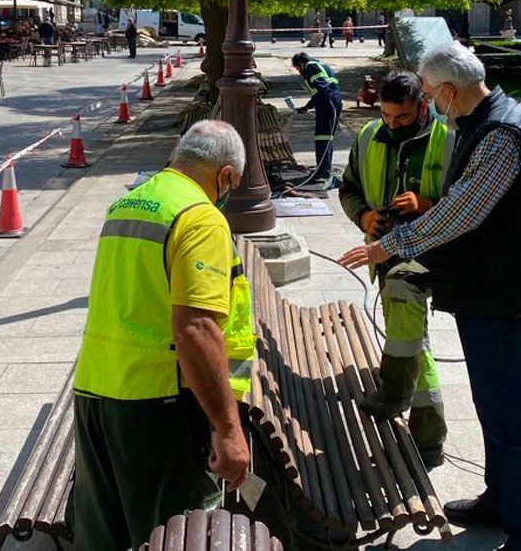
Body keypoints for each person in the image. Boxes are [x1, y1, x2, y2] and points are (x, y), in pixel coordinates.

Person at [338, 40, 521, 551]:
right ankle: (500, 500)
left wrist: (386, 247)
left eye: (432, 94)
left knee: (512, 417)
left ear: (447, 90)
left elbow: (461, 213)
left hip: (500, 295)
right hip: (485, 290)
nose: (431, 103)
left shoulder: (500, 132)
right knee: (494, 407)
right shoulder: (483, 121)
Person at [72, 120, 255, 550]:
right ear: (225, 175)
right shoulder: (199, 217)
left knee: (107, 537)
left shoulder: (130, 203)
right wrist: (228, 429)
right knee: (179, 535)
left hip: (97, 390)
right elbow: (197, 328)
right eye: (232, 184)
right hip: (159, 407)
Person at [339, 71, 452, 467]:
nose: (392, 125)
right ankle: (415, 419)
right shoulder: (369, 135)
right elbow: (348, 188)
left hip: (432, 257)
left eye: (401, 118)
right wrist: (364, 217)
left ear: (423, 105)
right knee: (409, 338)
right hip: (384, 256)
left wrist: (425, 205)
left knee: (405, 315)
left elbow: (469, 205)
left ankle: (421, 425)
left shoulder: (448, 138)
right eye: (386, 115)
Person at [292, 52, 343, 183]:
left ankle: (322, 172)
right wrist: (307, 107)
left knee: (323, 137)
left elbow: (322, 88)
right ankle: (323, 169)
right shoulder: (318, 64)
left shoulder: (311, 66)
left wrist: (325, 106)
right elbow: (318, 91)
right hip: (330, 102)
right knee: (325, 137)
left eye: (298, 68)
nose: (299, 72)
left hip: (328, 103)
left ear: (301, 63)